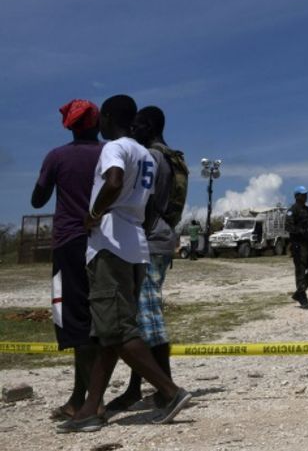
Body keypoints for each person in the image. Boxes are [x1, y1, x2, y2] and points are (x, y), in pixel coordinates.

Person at [59, 95, 191, 433]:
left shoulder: (114, 148)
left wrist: (93, 214)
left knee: (116, 330)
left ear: (107, 118)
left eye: (102, 118)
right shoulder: (147, 155)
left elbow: (113, 182)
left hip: (110, 246)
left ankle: (170, 392)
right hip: (136, 246)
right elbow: (147, 207)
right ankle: (90, 409)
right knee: (109, 333)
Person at [105, 106, 185, 412]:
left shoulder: (150, 157)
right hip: (163, 239)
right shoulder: (172, 156)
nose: (133, 130)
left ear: (149, 126)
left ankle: (168, 390)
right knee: (142, 314)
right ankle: (136, 388)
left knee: (149, 315)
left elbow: (145, 203)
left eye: (138, 125)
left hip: (150, 241)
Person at [31, 99, 104, 421]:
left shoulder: (56, 157)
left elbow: (38, 199)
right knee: (102, 320)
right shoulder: (109, 154)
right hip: (105, 244)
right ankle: (85, 396)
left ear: (70, 126)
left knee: (75, 323)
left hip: (68, 244)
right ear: (98, 124)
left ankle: (86, 400)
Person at [286, 187, 308, 308]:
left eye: (306, 194)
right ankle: (302, 296)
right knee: (300, 270)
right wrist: (301, 231)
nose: (306, 196)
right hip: (299, 245)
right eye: (303, 194)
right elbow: (289, 227)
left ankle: (299, 293)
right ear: (297, 196)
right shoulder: (292, 210)